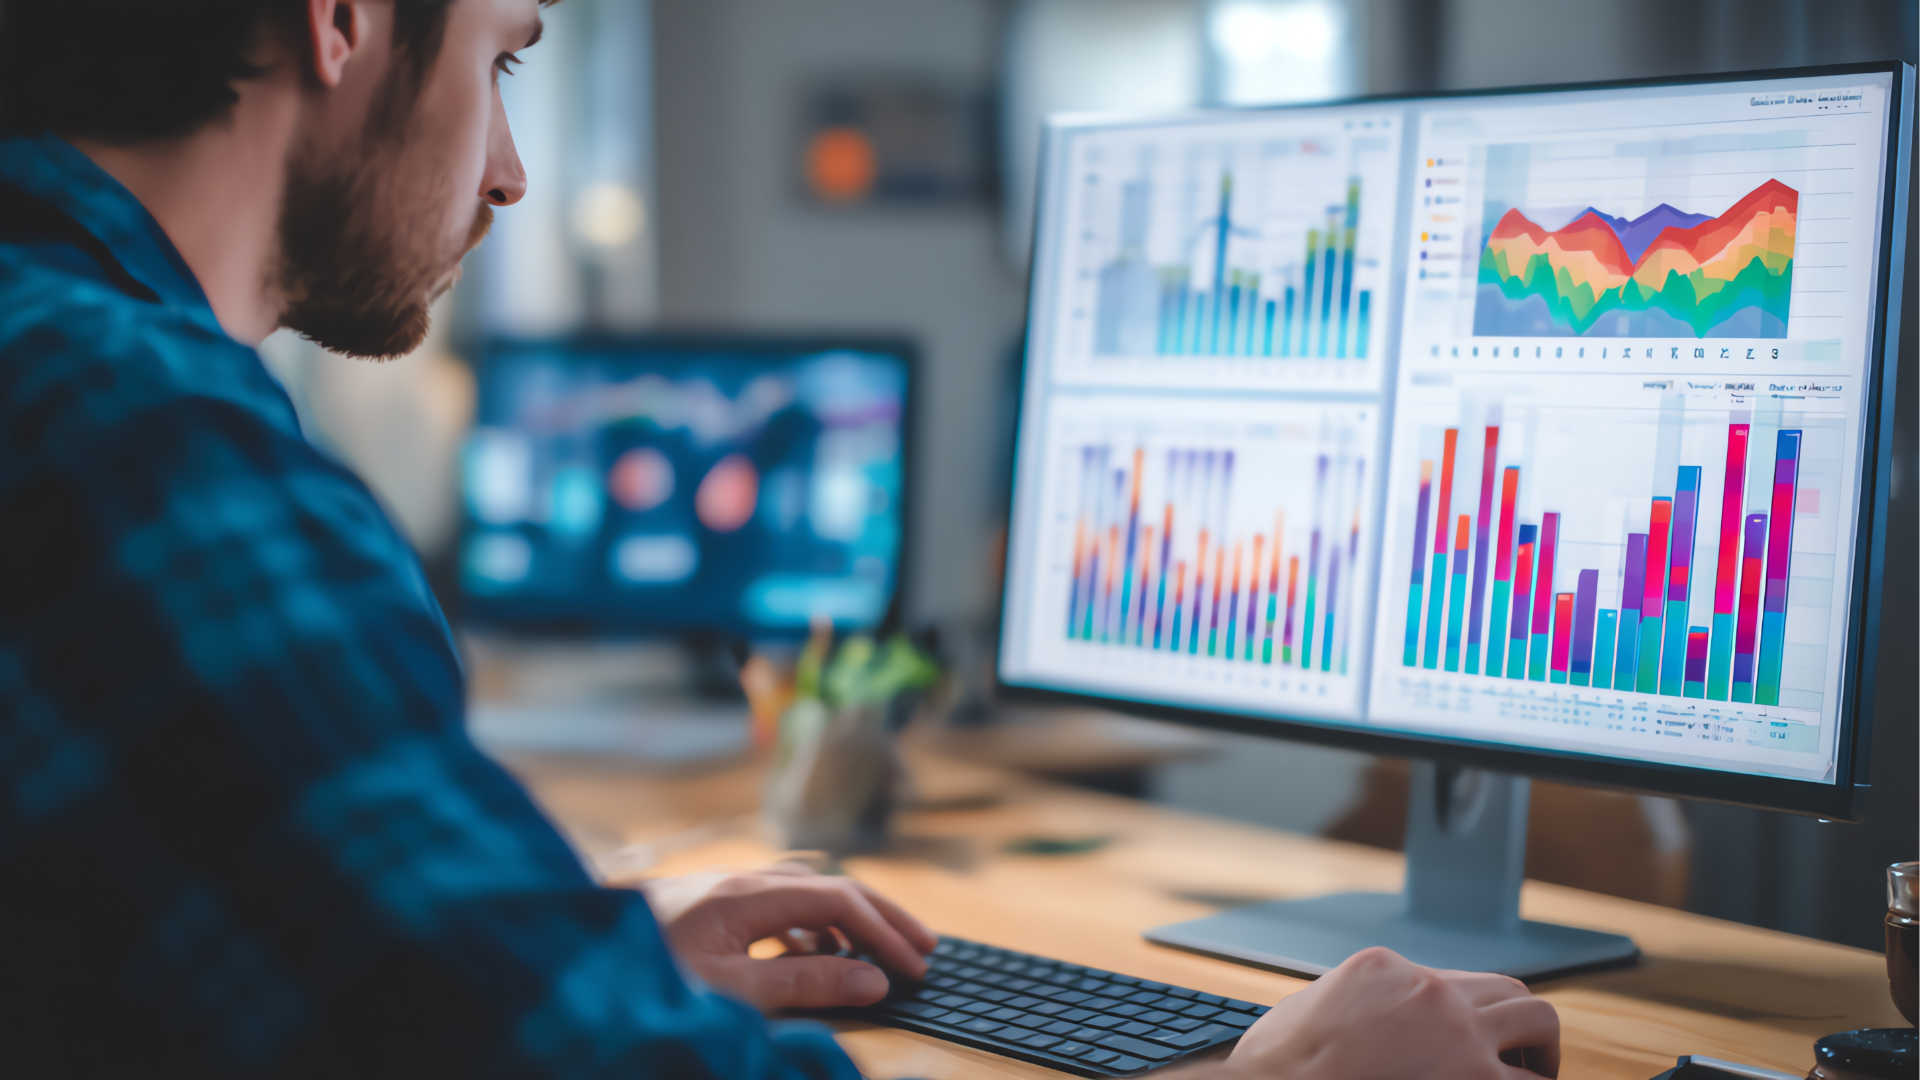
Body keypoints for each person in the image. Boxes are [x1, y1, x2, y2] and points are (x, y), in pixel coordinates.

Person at [0, 1, 1562, 1076]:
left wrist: (564, 954)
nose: (508, 171)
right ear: (338, 17)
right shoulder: (140, 443)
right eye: (504, 56)